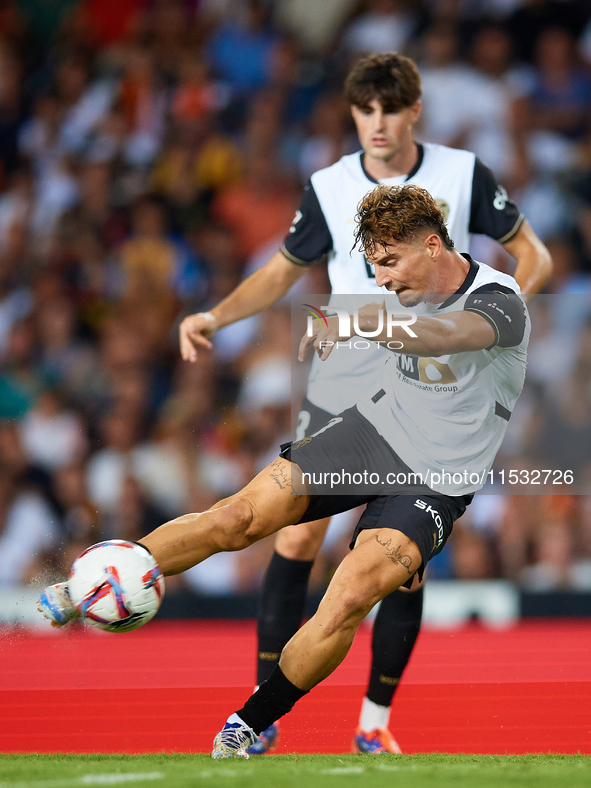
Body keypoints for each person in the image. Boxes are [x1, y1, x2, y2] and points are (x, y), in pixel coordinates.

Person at [38, 184, 530, 758]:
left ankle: (247, 725)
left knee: (347, 598)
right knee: (237, 518)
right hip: (370, 434)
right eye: (373, 268)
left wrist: (361, 327)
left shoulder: (500, 299)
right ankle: (95, 581)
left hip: (438, 479)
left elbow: (452, 334)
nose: (383, 280)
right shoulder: (392, 293)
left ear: (431, 244)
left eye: (390, 263)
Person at [181, 52, 551, 755]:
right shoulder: (328, 185)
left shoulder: (461, 174)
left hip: (436, 372)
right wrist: (216, 317)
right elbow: (280, 272)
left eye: (390, 108)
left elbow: (531, 254)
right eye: (364, 110)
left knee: (395, 559)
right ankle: (262, 719)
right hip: (347, 374)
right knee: (291, 535)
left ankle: (373, 722)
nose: (377, 124)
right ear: (352, 115)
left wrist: (500, 326)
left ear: (414, 111)